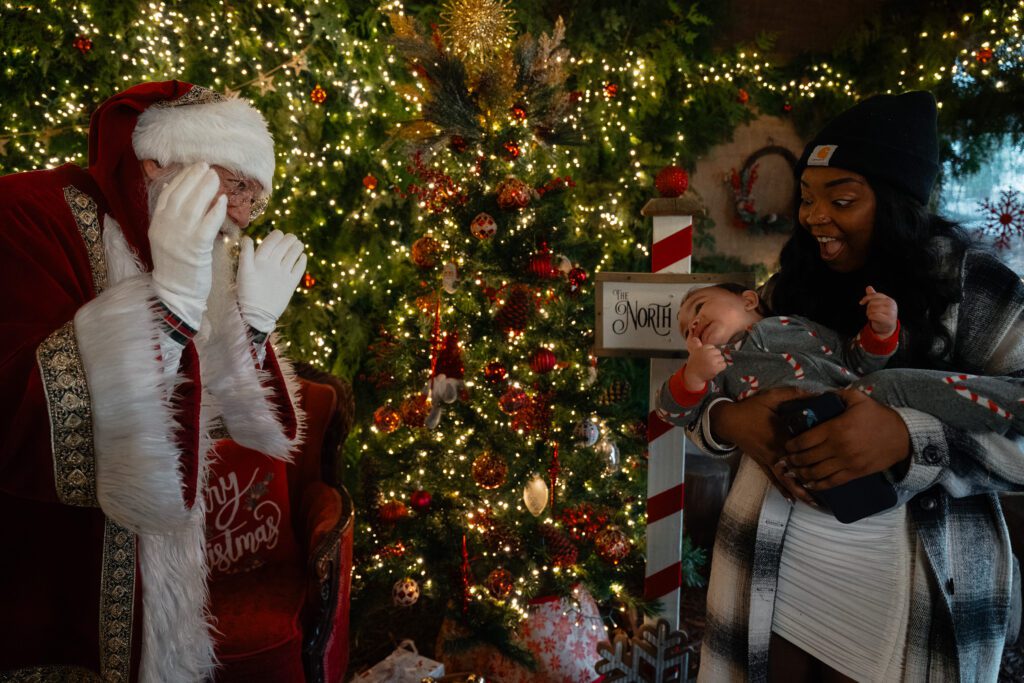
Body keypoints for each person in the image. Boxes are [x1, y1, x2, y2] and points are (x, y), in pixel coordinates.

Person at [684, 90, 1024, 682]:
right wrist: (734, 422)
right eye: (807, 198)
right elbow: (698, 390)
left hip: (910, 599)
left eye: (841, 199)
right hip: (769, 576)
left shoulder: (972, 287)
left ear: (896, 203)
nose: (815, 217)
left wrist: (907, 439)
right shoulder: (790, 286)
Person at [0, 81, 308, 682]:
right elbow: (18, 410)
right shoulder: (22, 213)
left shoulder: (182, 247)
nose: (244, 216)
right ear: (160, 162)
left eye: (256, 198)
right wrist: (165, 308)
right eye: (236, 185)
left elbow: (204, 420)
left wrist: (249, 330)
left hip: (159, 578)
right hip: (47, 576)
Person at [658, 282, 1024, 443]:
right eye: (686, 330)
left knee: (891, 382)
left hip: (857, 402)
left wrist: (880, 331)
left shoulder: (793, 324)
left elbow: (855, 359)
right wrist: (692, 376)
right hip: (801, 432)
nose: (693, 323)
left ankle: (1013, 403)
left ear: (749, 300)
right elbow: (672, 412)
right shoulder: (716, 368)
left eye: (699, 307)